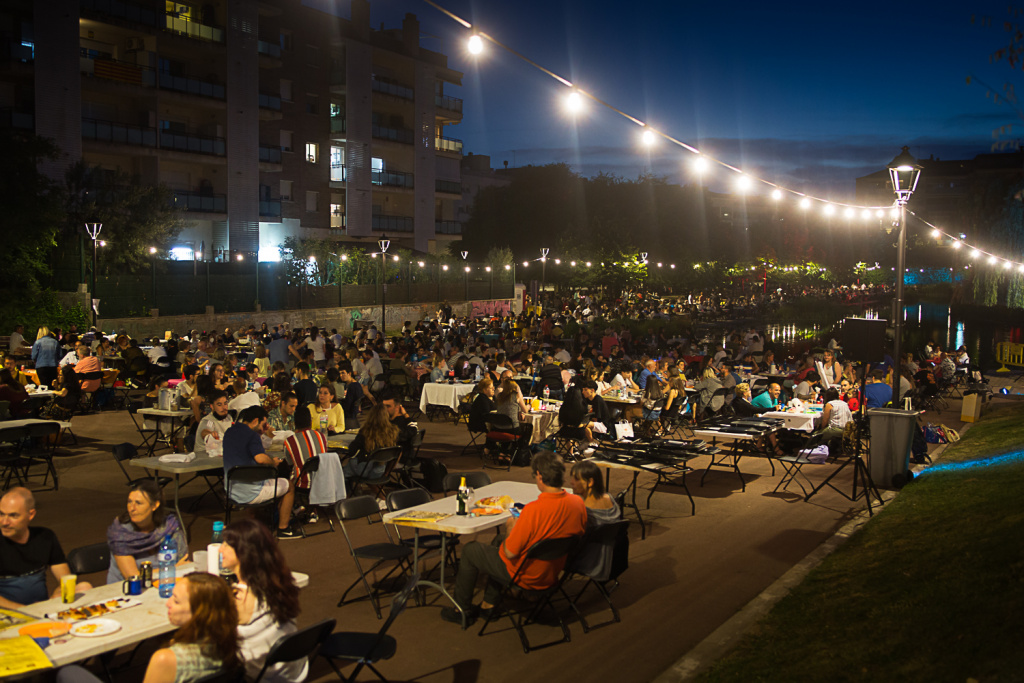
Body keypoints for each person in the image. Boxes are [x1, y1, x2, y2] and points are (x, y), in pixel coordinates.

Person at [441, 450, 587, 625]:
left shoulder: (533, 510)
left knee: (471, 550)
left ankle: (461, 610)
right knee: (497, 541)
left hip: (528, 574)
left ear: (539, 475)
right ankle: (489, 605)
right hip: (552, 571)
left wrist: (512, 527)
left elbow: (510, 553)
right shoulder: (578, 503)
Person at [220, 519, 304, 682]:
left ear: (243, 551)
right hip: (292, 671)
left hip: (259, 676)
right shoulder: (279, 582)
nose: (220, 549)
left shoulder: (242, 597)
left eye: (226, 545)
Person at [0, 487, 93, 608]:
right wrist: (25, 610)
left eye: (13, 516)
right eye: (1, 514)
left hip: (42, 608)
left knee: (84, 587)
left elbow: (64, 577)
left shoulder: (45, 537)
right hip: (7, 613)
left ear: (31, 514)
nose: (4, 522)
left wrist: (57, 595)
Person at [142, 572, 241, 683]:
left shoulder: (166, 659)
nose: (168, 603)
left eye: (176, 601)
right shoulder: (230, 645)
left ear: (199, 613)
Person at [223, 406, 298, 539]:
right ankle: (284, 529)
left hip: (230, 490)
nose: (265, 427)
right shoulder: (252, 435)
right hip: (252, 492)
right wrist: (273, 462)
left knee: (254, 477)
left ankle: (254, 521)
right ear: (255, 420)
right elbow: (260, 458)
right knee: (289, 486)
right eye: (263, 424)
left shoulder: (229, 432)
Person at [106, 480, 188, 583]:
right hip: (128, 591)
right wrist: (173, 569)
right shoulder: (120, 534)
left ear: (154, 505)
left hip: (166, 584)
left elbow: (185, 563)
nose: (132, 508)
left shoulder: (169, 527)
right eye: (129, 502)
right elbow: (134, 577)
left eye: (138, 503)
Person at [569, 461, 621, 577]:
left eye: (576, 479)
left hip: (588, 561)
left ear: (590, 482)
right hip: (611, 561)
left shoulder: (585, 512)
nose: (571, 482)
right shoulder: (611, 499)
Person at [343, 403, 398, 483]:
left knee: (346, 468)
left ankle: (345, 493)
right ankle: (358, 491)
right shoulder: (393, 431)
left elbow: (352, 450)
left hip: (364, 470)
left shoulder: (366, 431)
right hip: (380, 470)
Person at [195, 391, 232, 458]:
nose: (224, 408)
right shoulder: (208, 421)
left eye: (225, 403)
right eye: (219, 405)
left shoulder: (229, 418)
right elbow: (205, 432)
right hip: (205, 459)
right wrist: (211, 434)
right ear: (212, 406)